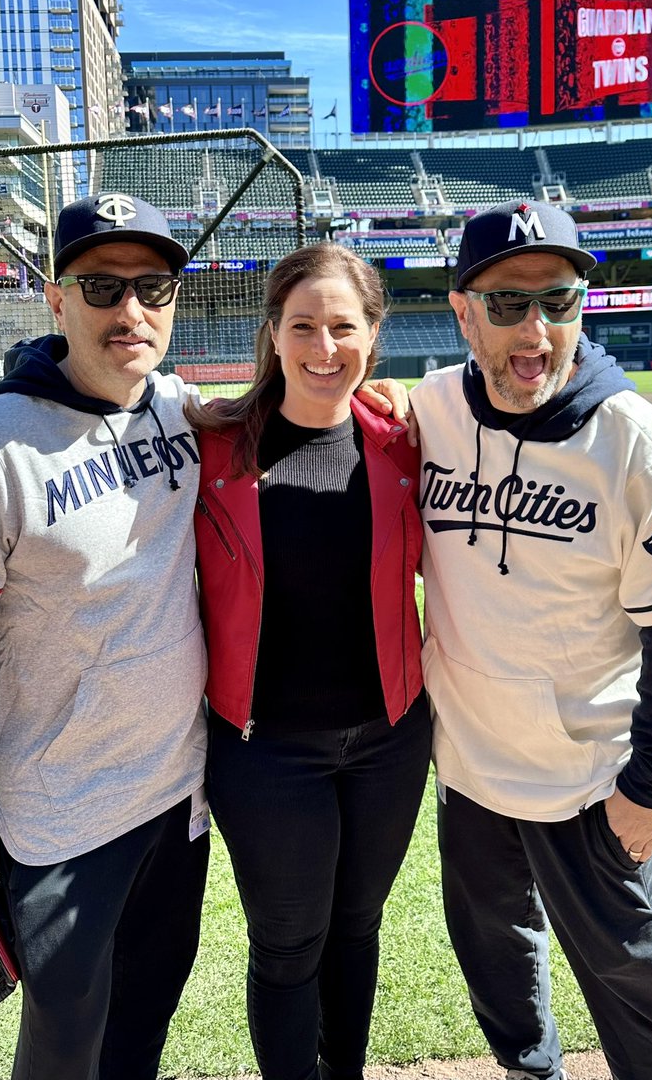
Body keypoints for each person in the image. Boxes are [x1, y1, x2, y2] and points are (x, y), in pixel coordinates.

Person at [411, 200, 652, 1080]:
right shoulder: (430, 409)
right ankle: (530, 1070)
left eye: (558, 300)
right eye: (508, 306)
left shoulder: (639, 447)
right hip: (471, 768)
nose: (536, 329)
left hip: (592, 777)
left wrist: (649, 787)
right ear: (463, 311)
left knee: (635, 976)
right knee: (495, 958)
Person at [0, 193, 211, 1080]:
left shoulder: (179, 411)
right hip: (60, 811)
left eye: (154, 286)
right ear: (56, 296)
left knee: (146, 1015)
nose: (131, 310)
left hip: (178, 791)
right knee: (64, 1042)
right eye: (102, 286)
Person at [188, 242, 432, 1080]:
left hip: (391, 740)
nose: (324, 348)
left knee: (357, 927)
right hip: (265, 752)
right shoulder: (211, 447)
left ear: (373, 334)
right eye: (303, 325)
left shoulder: (407, 444)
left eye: (343, 326)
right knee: (289, 945)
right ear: (273, 333)